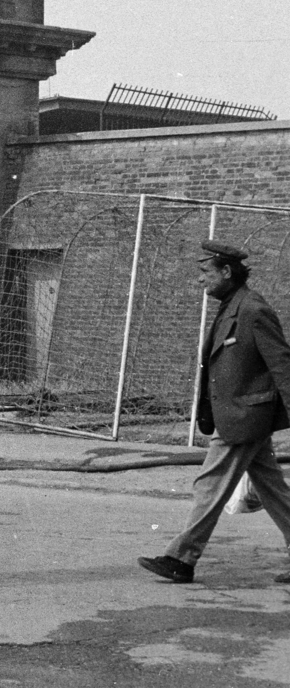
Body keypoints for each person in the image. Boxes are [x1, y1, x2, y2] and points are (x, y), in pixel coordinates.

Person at [143, 241, 290, 585]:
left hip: (244, 416)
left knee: (209, 484)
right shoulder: (232, 307)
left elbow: (283, 364)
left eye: (205, 272)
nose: (200, 280)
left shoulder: (253, 310)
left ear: (227, 272)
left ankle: (181, 558)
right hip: (239, 414)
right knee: (273, 490)